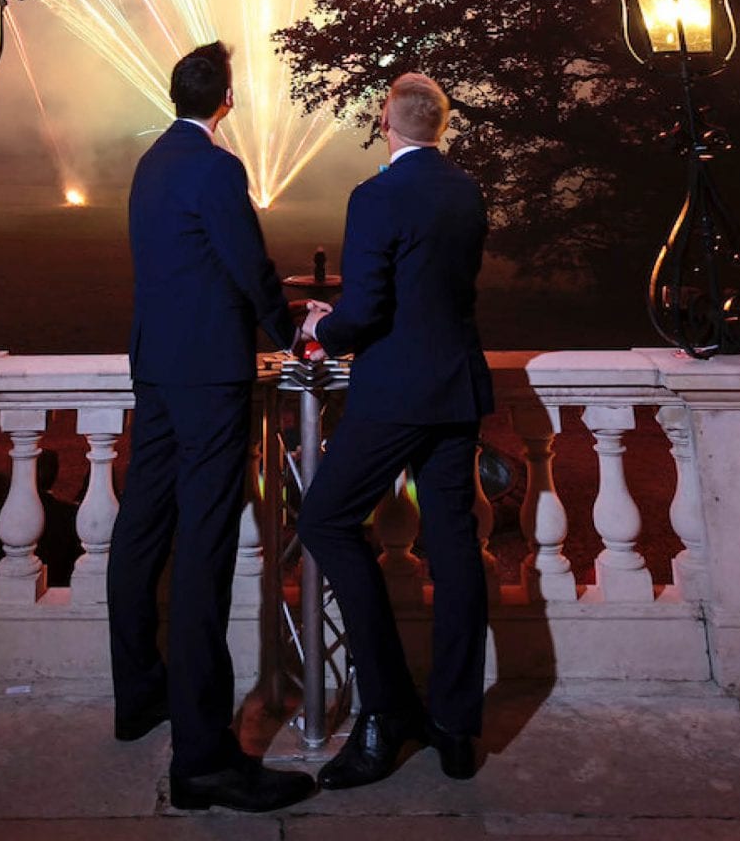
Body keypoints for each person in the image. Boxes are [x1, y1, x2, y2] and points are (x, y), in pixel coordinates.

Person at [107, 41, 316, 814]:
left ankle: (139, 697)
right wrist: (288, 332)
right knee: (204, 549)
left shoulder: (153, 162)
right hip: (208, 375)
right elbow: (246, 262)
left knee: (140, 529)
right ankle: (202, 759)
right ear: (226, 100)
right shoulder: (217, 168)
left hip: (155, 367)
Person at [297, 71, 493, 792]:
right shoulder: (466, 190)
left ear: (388, 122)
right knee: (453, 547)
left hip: (397, 391)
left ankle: (384, 711)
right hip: (457, 386)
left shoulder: (376, 195)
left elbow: (370, 305)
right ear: (441, 125)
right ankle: (455, 726)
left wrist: (324, 326)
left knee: (325, 520)